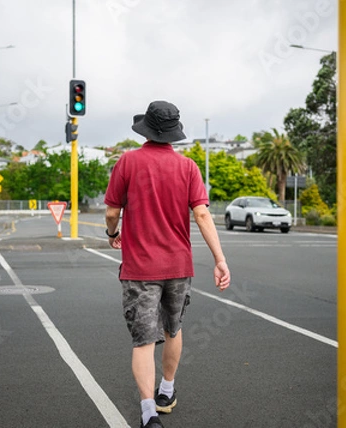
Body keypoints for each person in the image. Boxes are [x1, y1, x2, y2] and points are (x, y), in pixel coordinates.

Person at [104, 100, 231, 428]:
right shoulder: (188, 167)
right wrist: (220, 259)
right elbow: (202, 213)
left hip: (140, 268)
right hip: (178, 266)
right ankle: (167, 391)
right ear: (174, 133)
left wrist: (112, 232)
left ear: (145, 129)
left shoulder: (128, 162)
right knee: (172, 328)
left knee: (144, 339)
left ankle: (149, 413)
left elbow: (111, 210)